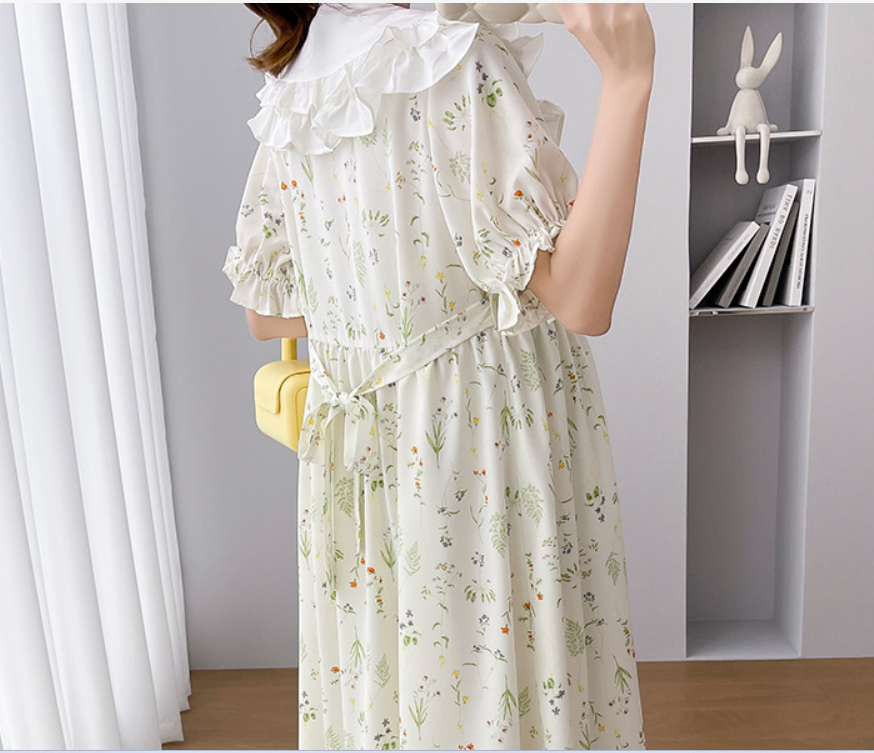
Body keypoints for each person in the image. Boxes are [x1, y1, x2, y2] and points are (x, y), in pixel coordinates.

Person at [222, 2, 655, 749]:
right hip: (475, 456)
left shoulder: (297, 91)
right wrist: (629, 79)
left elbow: (268, 313)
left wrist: (390, 309)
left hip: (359, 469)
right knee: (495, 693)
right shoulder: (449, 62)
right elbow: (582, 298)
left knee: (397, 700)